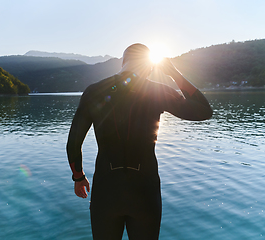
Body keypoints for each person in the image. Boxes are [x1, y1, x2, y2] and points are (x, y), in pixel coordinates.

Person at [66, 43, 213, 240]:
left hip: (106, 189)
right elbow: (204, 111)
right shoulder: (157, 91)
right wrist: (174, 73)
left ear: (122, 62)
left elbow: (73, 143)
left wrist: (78, 177)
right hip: (145, 190)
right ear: (150, 66)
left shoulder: (94, 91)